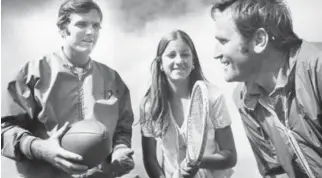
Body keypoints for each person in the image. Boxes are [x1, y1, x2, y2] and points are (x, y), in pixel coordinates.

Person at [1, 0, 135, 177]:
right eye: (81, 24)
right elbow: (5, 130)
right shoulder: (32, 74)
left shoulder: (112, 79)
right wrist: (40, 148)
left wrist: (120, 149)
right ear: (63, 29)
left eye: (96, 26)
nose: (90, 32)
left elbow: (122, 128)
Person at [211, 0, 322, 177]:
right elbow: (275, 172)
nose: (215, 53)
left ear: (259, 40)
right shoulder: (244, 99)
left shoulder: (317, 66)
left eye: (223, 41)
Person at [140, 30, 237, 178]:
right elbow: (150, 159)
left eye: (185, 54)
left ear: (193, 62)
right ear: (160, 64)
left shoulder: (212, 96)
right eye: (171, 55)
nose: (179, 60)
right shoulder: (149, 105)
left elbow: (230, 156)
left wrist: (197, 161)